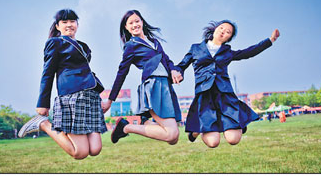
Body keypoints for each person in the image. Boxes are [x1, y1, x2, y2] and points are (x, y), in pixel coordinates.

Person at [18, 9, 107, 160]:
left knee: (96, 149)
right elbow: (47, 73)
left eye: (72, 21)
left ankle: (52, 126)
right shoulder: (55, 43)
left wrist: (100, 96)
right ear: (58, 26)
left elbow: (85, 72)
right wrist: (42, 103)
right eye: (64, 22)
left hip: (90, 98)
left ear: (77, 25)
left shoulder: (84, 47)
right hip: (71, 98)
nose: (69, 25)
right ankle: (43, 124)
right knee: (80, 152)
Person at [176, 20, 279, 147]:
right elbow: (181, 65)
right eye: (221, 28)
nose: (223, 32)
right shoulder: (195, 48)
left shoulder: (228, 52)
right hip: (205, 96)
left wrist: (270, 40)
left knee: (233, 140)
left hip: (225, 96)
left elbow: (249, 52)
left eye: (228, 32)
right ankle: (196, 132)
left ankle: (237, 122)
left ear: (229, 38)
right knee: (213, 142)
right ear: (214, 29)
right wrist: (176, 72)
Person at [106, 10, 183, 145]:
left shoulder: (154, 42)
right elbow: (122, 72)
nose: (135, 24)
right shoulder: (131, 45)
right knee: (172, 134)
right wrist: (111, 99)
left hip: (166, 86)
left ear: (142, 22)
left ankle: (144, 122)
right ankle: (126, 127)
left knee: (173, 138)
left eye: (137, 21)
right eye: (131, 23)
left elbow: (167, 60)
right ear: (126, 27)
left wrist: (174, 70)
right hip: (153, 86)